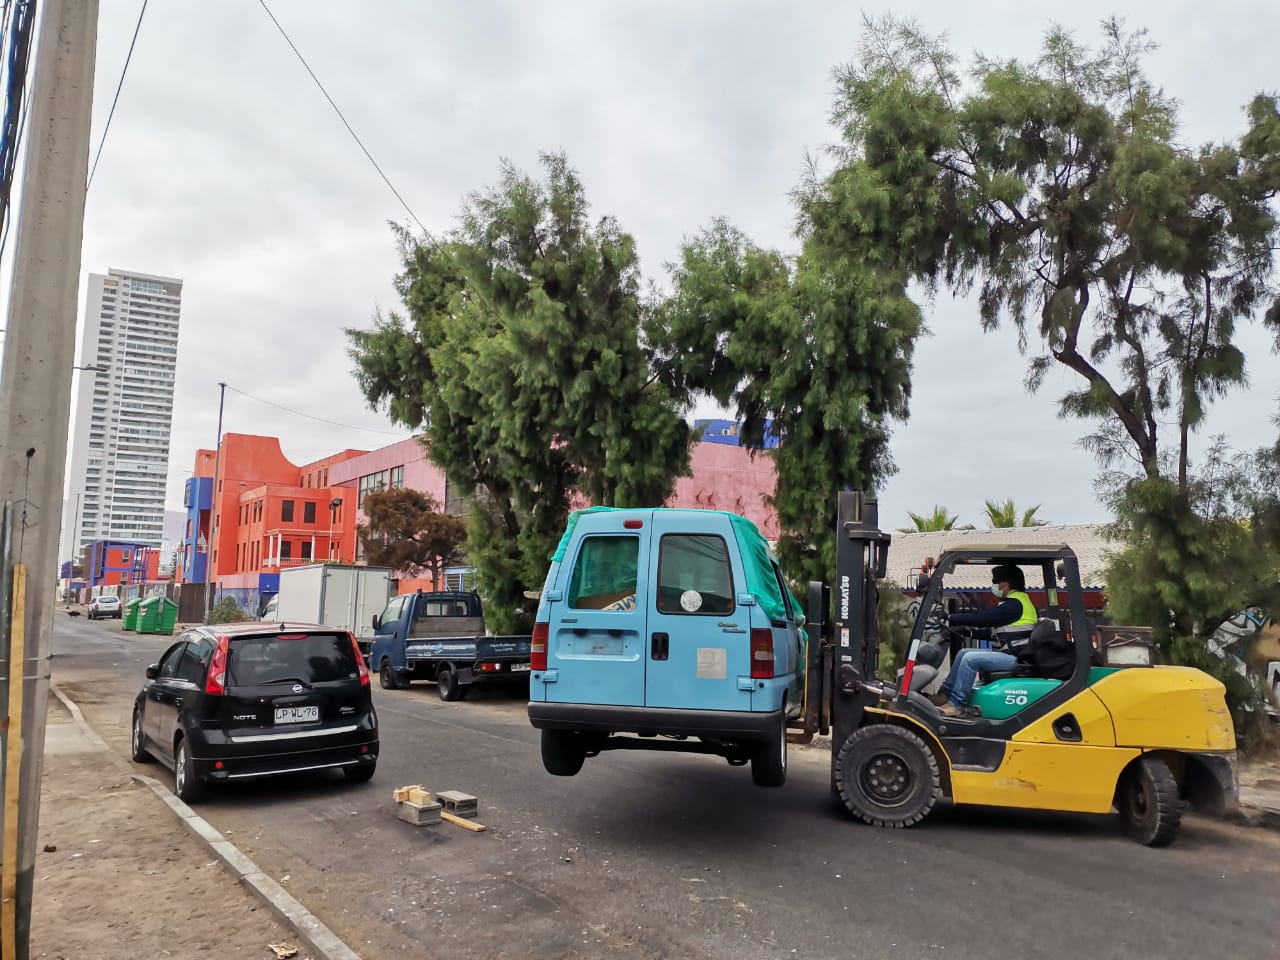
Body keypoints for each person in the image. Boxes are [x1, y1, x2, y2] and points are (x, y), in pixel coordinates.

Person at [932, 564, 1038, 717]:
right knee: (964, 652)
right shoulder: (1017, 602)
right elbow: (996, 632)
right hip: (1012, 654)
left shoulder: (1014, 604)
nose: (993, 585)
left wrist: (951, 616)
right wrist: (970, 633)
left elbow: (984, 618)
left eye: (996, 581)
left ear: (1006, 583)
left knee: (970, 659)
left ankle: (956, 705)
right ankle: (945, 695)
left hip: (1016, 658)